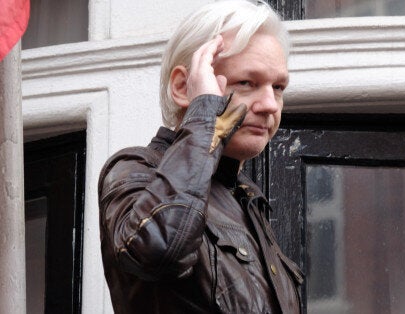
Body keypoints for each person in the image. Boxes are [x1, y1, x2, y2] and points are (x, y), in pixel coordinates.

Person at [97, 1, 303, 313]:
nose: (270, 104)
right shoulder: (137, 170)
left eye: (278, 87)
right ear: (184, 87)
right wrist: (206, 114)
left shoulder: (246, 199)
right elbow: (159, 249)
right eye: (247, 83)